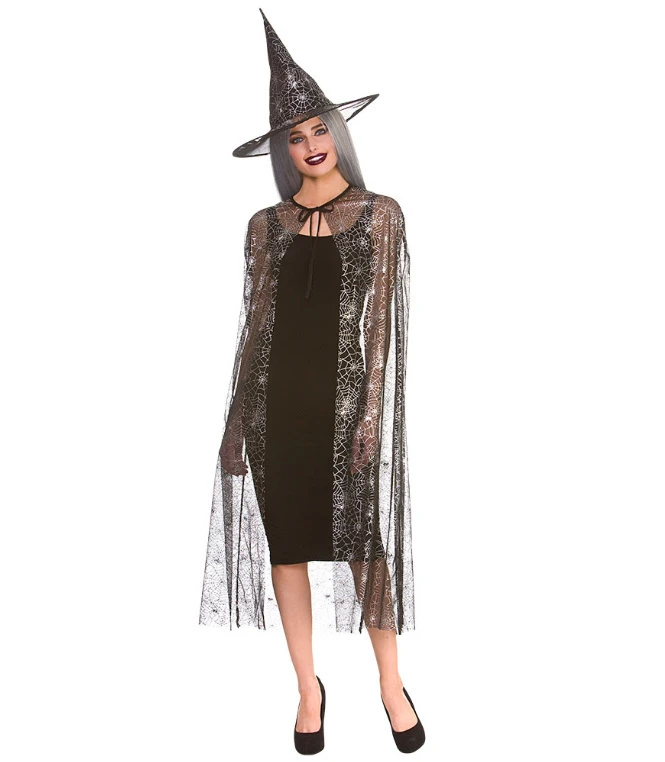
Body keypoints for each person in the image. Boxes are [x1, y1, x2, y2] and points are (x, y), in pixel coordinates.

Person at [199, 9, 425, 754]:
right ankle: (307, 689)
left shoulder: (380, 215)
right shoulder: (263, 225)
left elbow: (381, 326)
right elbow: (254, 328)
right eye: (294, 137)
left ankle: (390, 683)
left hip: (341, 403)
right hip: (273, 411)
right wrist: (236, 423)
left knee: (364, 548)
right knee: (287, 550)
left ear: (336, 131)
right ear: (282, 150)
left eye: (317, 128)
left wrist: (369, 414)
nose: (310, 144)